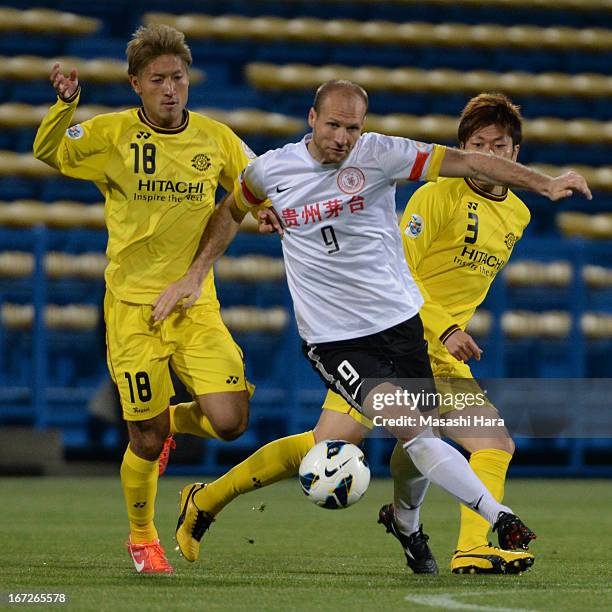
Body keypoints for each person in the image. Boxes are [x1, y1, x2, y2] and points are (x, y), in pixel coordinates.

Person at [152, 80, 590, 567]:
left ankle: (207, 500)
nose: (342, 137)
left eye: (353, 128)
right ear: (311, 118)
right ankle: (475, 541)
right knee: (477, 441)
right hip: (345, 338)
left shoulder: (390, 158)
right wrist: (200, 269)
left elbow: (466, 169)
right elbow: (235, 204)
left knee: (343, 442)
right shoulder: (421, 196)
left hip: (399, 330)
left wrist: (545, 182)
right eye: (334, 125)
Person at [33, 24, 258, 574]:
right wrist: (66, 106)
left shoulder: (215, 137)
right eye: (157, 79)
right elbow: (47, 152)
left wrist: (267, 205)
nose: (169, 89)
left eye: (177, 78)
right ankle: (143, 537)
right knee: (143, 434)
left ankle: (170, 426)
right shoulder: (112, 136)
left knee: (231, 421)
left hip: (194, 304)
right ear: (136, 83)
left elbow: (256, 178)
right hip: (133, 310)